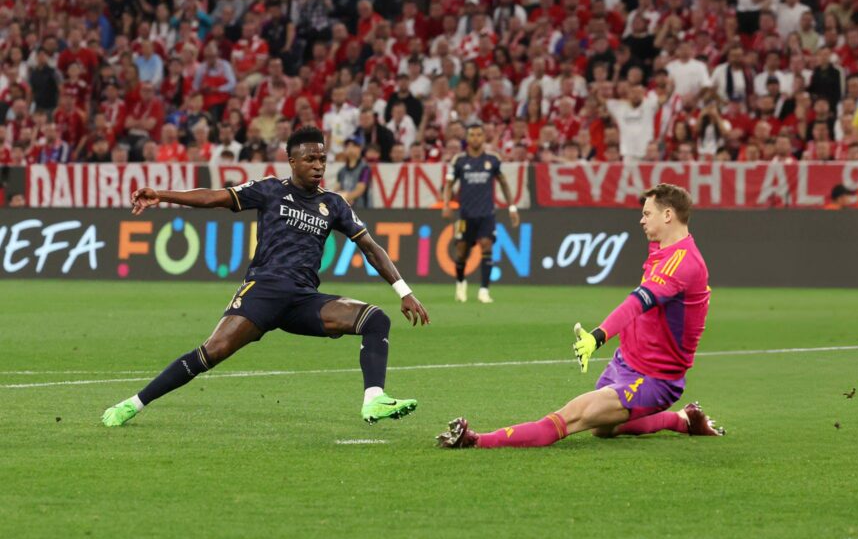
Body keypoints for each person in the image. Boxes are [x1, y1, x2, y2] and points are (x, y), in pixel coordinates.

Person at [101, 127, 430, 428]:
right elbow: (214, 197)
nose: (318, 166)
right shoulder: (270, 190)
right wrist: (163, 195)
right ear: (292, 161)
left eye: (322, 159)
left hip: (303, 299)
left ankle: (373, 400)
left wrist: (404, 291)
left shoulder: (335, 204)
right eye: (310, 159)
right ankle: (133, 403)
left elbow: (371, 248)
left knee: (375, 320)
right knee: (211, 352)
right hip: (264, 290)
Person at [437, 184, 723, 449]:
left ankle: (477, 440)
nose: (641, 219)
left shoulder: (683, 263)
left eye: (647, 213)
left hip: (655, 377)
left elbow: (637, 303)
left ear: (669, 215)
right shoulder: (661, 248)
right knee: (603, 429)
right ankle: (683, 420)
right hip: (628, 361)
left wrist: (597, 337)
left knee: (572, 417)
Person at [441, 123, 520, 304]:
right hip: (465, 215)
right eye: (472, 135)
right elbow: (449, 185)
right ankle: (461, 283)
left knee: (487, 246)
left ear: (484, 138)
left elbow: (503, 183)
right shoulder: (459, 160)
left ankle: (484, 290)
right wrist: (446, 204)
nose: (475, 138)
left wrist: (512, 207)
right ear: (467, 138)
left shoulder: (493, 159)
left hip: (486, 214)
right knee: (461, 252)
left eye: (478, 135)